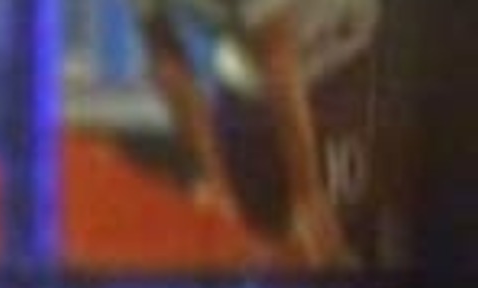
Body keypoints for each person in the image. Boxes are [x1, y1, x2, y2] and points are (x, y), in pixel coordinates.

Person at [131, 0, 370, 268]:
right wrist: (215, 182)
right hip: (250, 65)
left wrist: (306, 197)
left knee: (320, 241)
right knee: (243, 241)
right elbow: (168, 61)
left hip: (338, 56)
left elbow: (278, 58)